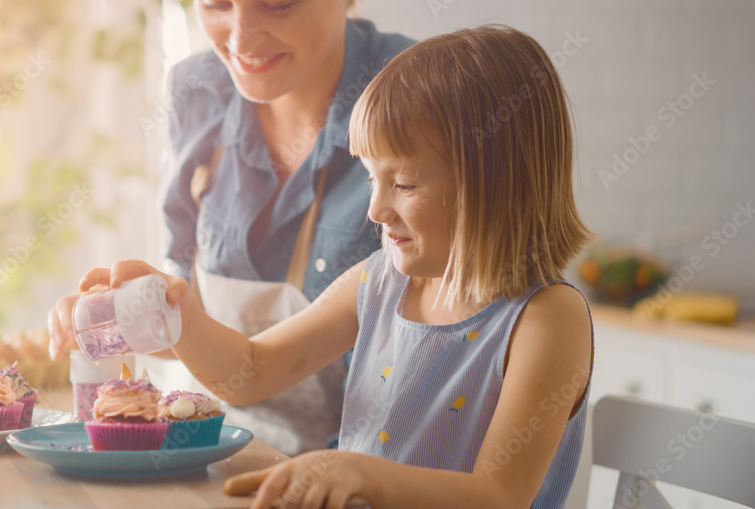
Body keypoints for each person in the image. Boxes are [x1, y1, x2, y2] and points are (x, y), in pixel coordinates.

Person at [65, 25, 595, 508]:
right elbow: (253, 370)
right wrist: (177, 313)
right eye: (370, 179)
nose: (375, 210)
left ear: (494, 183)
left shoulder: (546, 318)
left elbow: (499, 496)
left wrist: (358, 473)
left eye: (404, 184)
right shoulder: (381, 281)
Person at [48, 0, 415, 455]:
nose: (241, 40)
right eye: (215, 3)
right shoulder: (196, 91)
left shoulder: (425, 98)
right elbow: (189, 322)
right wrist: (120, 314)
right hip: (215, 460)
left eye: (279, 4)